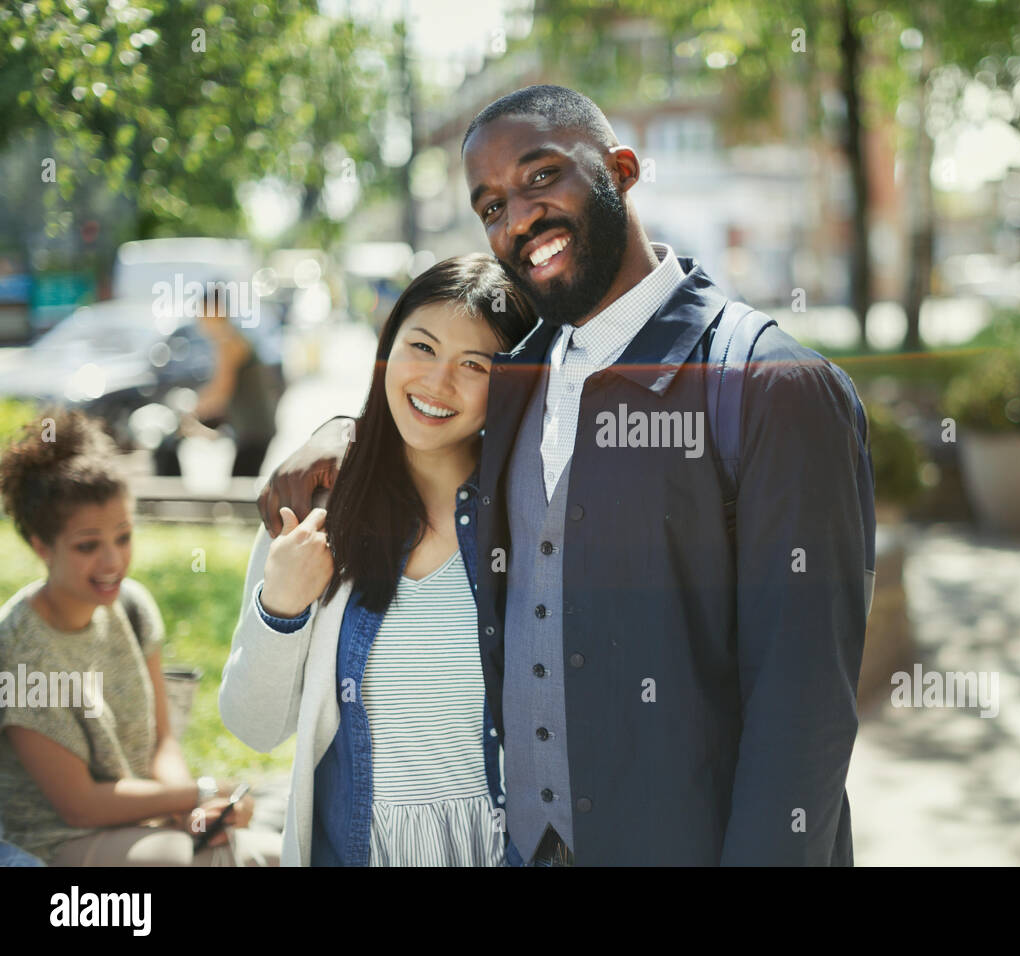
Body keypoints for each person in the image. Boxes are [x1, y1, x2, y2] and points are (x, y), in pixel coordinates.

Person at [259, 85, 876, 866]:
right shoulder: (517, 380)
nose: (518, 218)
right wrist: (343, 433)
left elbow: (806, 710)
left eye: (541, 176)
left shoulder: (770, 388)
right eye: (489, 206)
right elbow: (427, 417)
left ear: (621, 169)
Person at [218, 255, 537, 866]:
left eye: (475, 364)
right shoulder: (314, 508)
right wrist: (280, 607)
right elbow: (253, 726)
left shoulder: (532, 517)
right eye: (422, 346)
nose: (437, 382)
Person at [0, 410, 275, 866]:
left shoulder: (132, 606)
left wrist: (194, 810)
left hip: (140, 820)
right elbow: (78, 804)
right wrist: (197, 792)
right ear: (41, 547)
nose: (112, 562)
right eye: (88, 545)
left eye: (123, 537)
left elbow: (161, 740)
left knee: (273, 852)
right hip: (51, 840)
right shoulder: (20, 647)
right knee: (185, 859)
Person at [155, 286, 279, 478]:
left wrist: (191, 409)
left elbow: (221, 391)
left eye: (202, 313)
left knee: (241, 488)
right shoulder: (228, 339)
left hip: (255, 431)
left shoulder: (229, 342)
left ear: (215, 311)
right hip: (251, 429)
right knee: (240, 482)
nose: (199, 320)